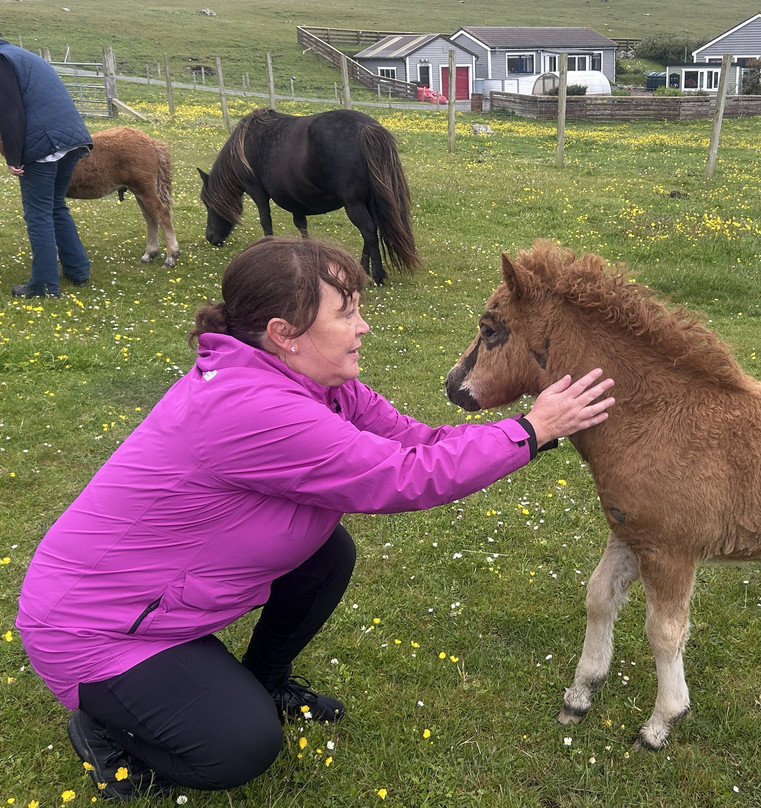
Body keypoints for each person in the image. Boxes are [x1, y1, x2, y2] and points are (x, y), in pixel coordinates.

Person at [16, 236, 614, 800]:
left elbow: (418, 443)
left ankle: (264, 679)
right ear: (285, 333)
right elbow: (400, 477)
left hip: (155, 598)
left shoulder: (317, 384)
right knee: (240, 748)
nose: (364, 326)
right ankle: (105, 734)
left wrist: (525, 432)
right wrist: (531, 431)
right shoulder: (256, 409)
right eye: (346, 312)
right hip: (97, 628)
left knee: (327, 554)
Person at [0, 37, 93, 298]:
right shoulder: (20, 55)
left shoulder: (2, 60)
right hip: (72, 139)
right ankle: (78, 271)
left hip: (45, 142)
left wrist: (13, 156)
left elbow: (9, 111)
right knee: (55, 206)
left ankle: (43, 286)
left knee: (38, 213)